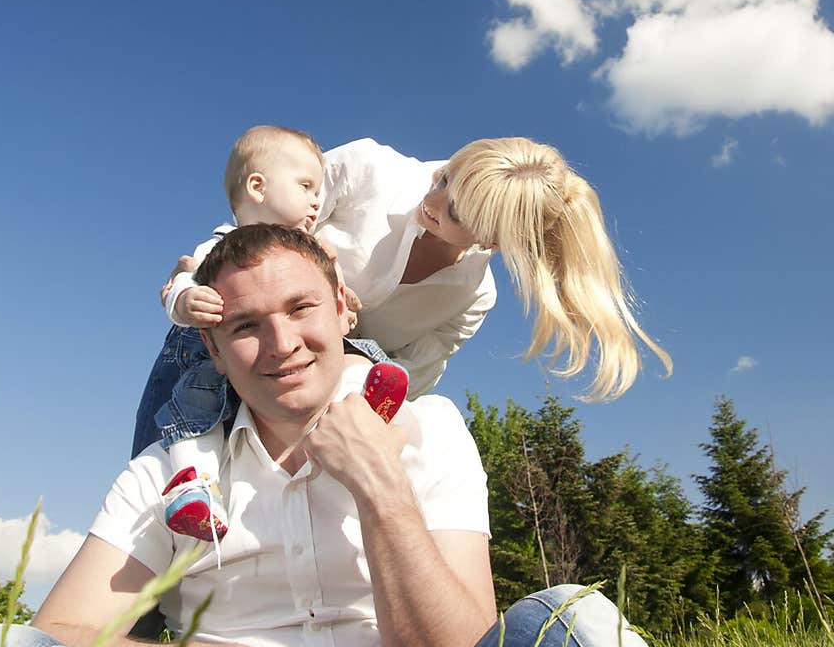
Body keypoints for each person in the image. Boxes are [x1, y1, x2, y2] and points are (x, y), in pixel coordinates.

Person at [0, 225, 736, 647]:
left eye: (301, 309)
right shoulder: (167, 470)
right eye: (247, 326)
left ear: (344, 309)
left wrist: (377, 479)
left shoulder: (429, 431)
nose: (282, 344)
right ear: (213, 348)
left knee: (569, 620)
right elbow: (57, 641)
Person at [134, 134, 672, 482]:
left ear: (495, 240)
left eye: (454, 210)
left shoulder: (470, 297)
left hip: (318, 387)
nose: (431, 200)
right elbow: (257, 218)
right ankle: (134, 613)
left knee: (259, 495)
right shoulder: (370, 170)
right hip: (233, 337)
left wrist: (353, 375)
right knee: (164, 460)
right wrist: (192, 281)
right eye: (444, 178)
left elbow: (408, 377)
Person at [132, 124, 371, 546]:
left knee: (357, 353)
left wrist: (342, 304)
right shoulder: (223, 247)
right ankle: (195, 487)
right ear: (258, 186)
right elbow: (181, 284)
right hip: (207, 358)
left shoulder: (310, 251)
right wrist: (186, 301)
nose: (318, 200)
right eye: (305, 185)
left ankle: (369, 399)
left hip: (264, 365)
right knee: (194, 417)